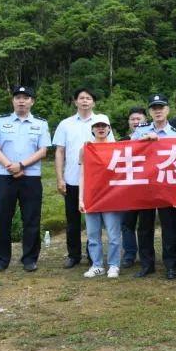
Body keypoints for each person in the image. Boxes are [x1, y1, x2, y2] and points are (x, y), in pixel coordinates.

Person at [0, 86, 51, 274]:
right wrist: (11, 167)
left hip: (31, 178)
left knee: (31, 219)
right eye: (18, 97)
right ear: (13, 101)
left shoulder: (41, 124)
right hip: (5, 177)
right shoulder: (0, 121)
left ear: (32, 101)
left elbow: (43, 151)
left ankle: (29, 259)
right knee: (2, 218)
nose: (21, 101)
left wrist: (21, 165)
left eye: (26, 98)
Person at [52, 87, 113, 269]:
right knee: (73, 221)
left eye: (88, 98)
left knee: (93, 221)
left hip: (96, 182)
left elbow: (113, 148)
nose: (85, 101)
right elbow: (59, 151)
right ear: (75, 102)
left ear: (93, 102)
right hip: (72, 178)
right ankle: (73, 255)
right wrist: (59, 178)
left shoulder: (101, 121)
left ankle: (92, 255)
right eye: (81, 98)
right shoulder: (66, 124)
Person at [131, 93, 176, 280]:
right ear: (150, 112)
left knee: (169, 226)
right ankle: (147, 264)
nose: (158, 111)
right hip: (144, 185)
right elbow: (129, 150)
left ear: (168, 110)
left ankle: (170, 265)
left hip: (167, 185)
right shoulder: (140, 130)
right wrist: (144, 140)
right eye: (154, 108)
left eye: (161, 107)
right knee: (144, 227)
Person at [77, 114, 123, 278]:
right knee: (93, 234)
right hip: (92, 196)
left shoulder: (118, 148)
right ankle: (97, 265)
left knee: (113, 234)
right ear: (92, 129)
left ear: (109, 128)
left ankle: (113, 265)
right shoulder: (86, 149)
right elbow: (82, 174)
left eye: (104, 126)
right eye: (97, 126)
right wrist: (81, 198)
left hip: (111, 197)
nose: (101, 128)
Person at [119, 107, 147, 268]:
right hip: (128, 188)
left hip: (146, 188)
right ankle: (129, 254)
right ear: (129, 122)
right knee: (127, 223)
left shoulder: (151, 139)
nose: (136, 122)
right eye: (133, 119)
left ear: (145, 121)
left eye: (139, 119)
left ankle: (145, 255)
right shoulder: (122, 140)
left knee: (144, 225)